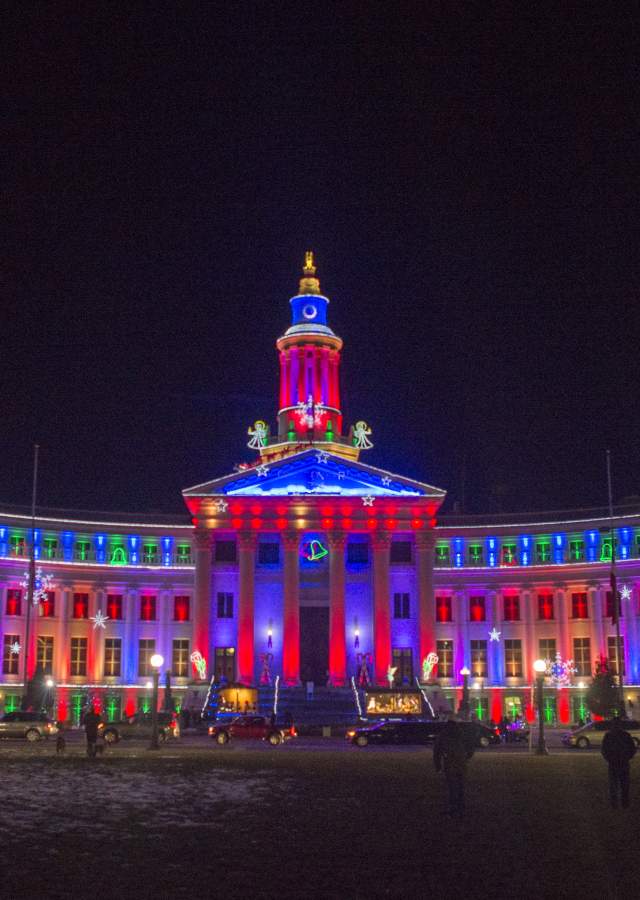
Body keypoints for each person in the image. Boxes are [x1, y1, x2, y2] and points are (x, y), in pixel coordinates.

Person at [433, 720, 474, 817]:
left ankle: (453, 806)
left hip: (450, 762)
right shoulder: (462, 734)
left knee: (452, 786)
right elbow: (471, 748)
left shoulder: (443, 736)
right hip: (461, 762)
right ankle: (461, 806)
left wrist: (438, 765)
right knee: (460, 785)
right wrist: (466, 757)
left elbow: (437, 751)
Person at [601, 717, 636, 809]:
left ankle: (615, 804)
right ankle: (624, 804)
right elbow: (632, 749)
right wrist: (627, 757)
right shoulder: (625, 735)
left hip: (614, 763)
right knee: (624, 785)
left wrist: (609, 759)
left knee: (614, 785)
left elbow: (604, 750)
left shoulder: (609, 735)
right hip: (622, 763)